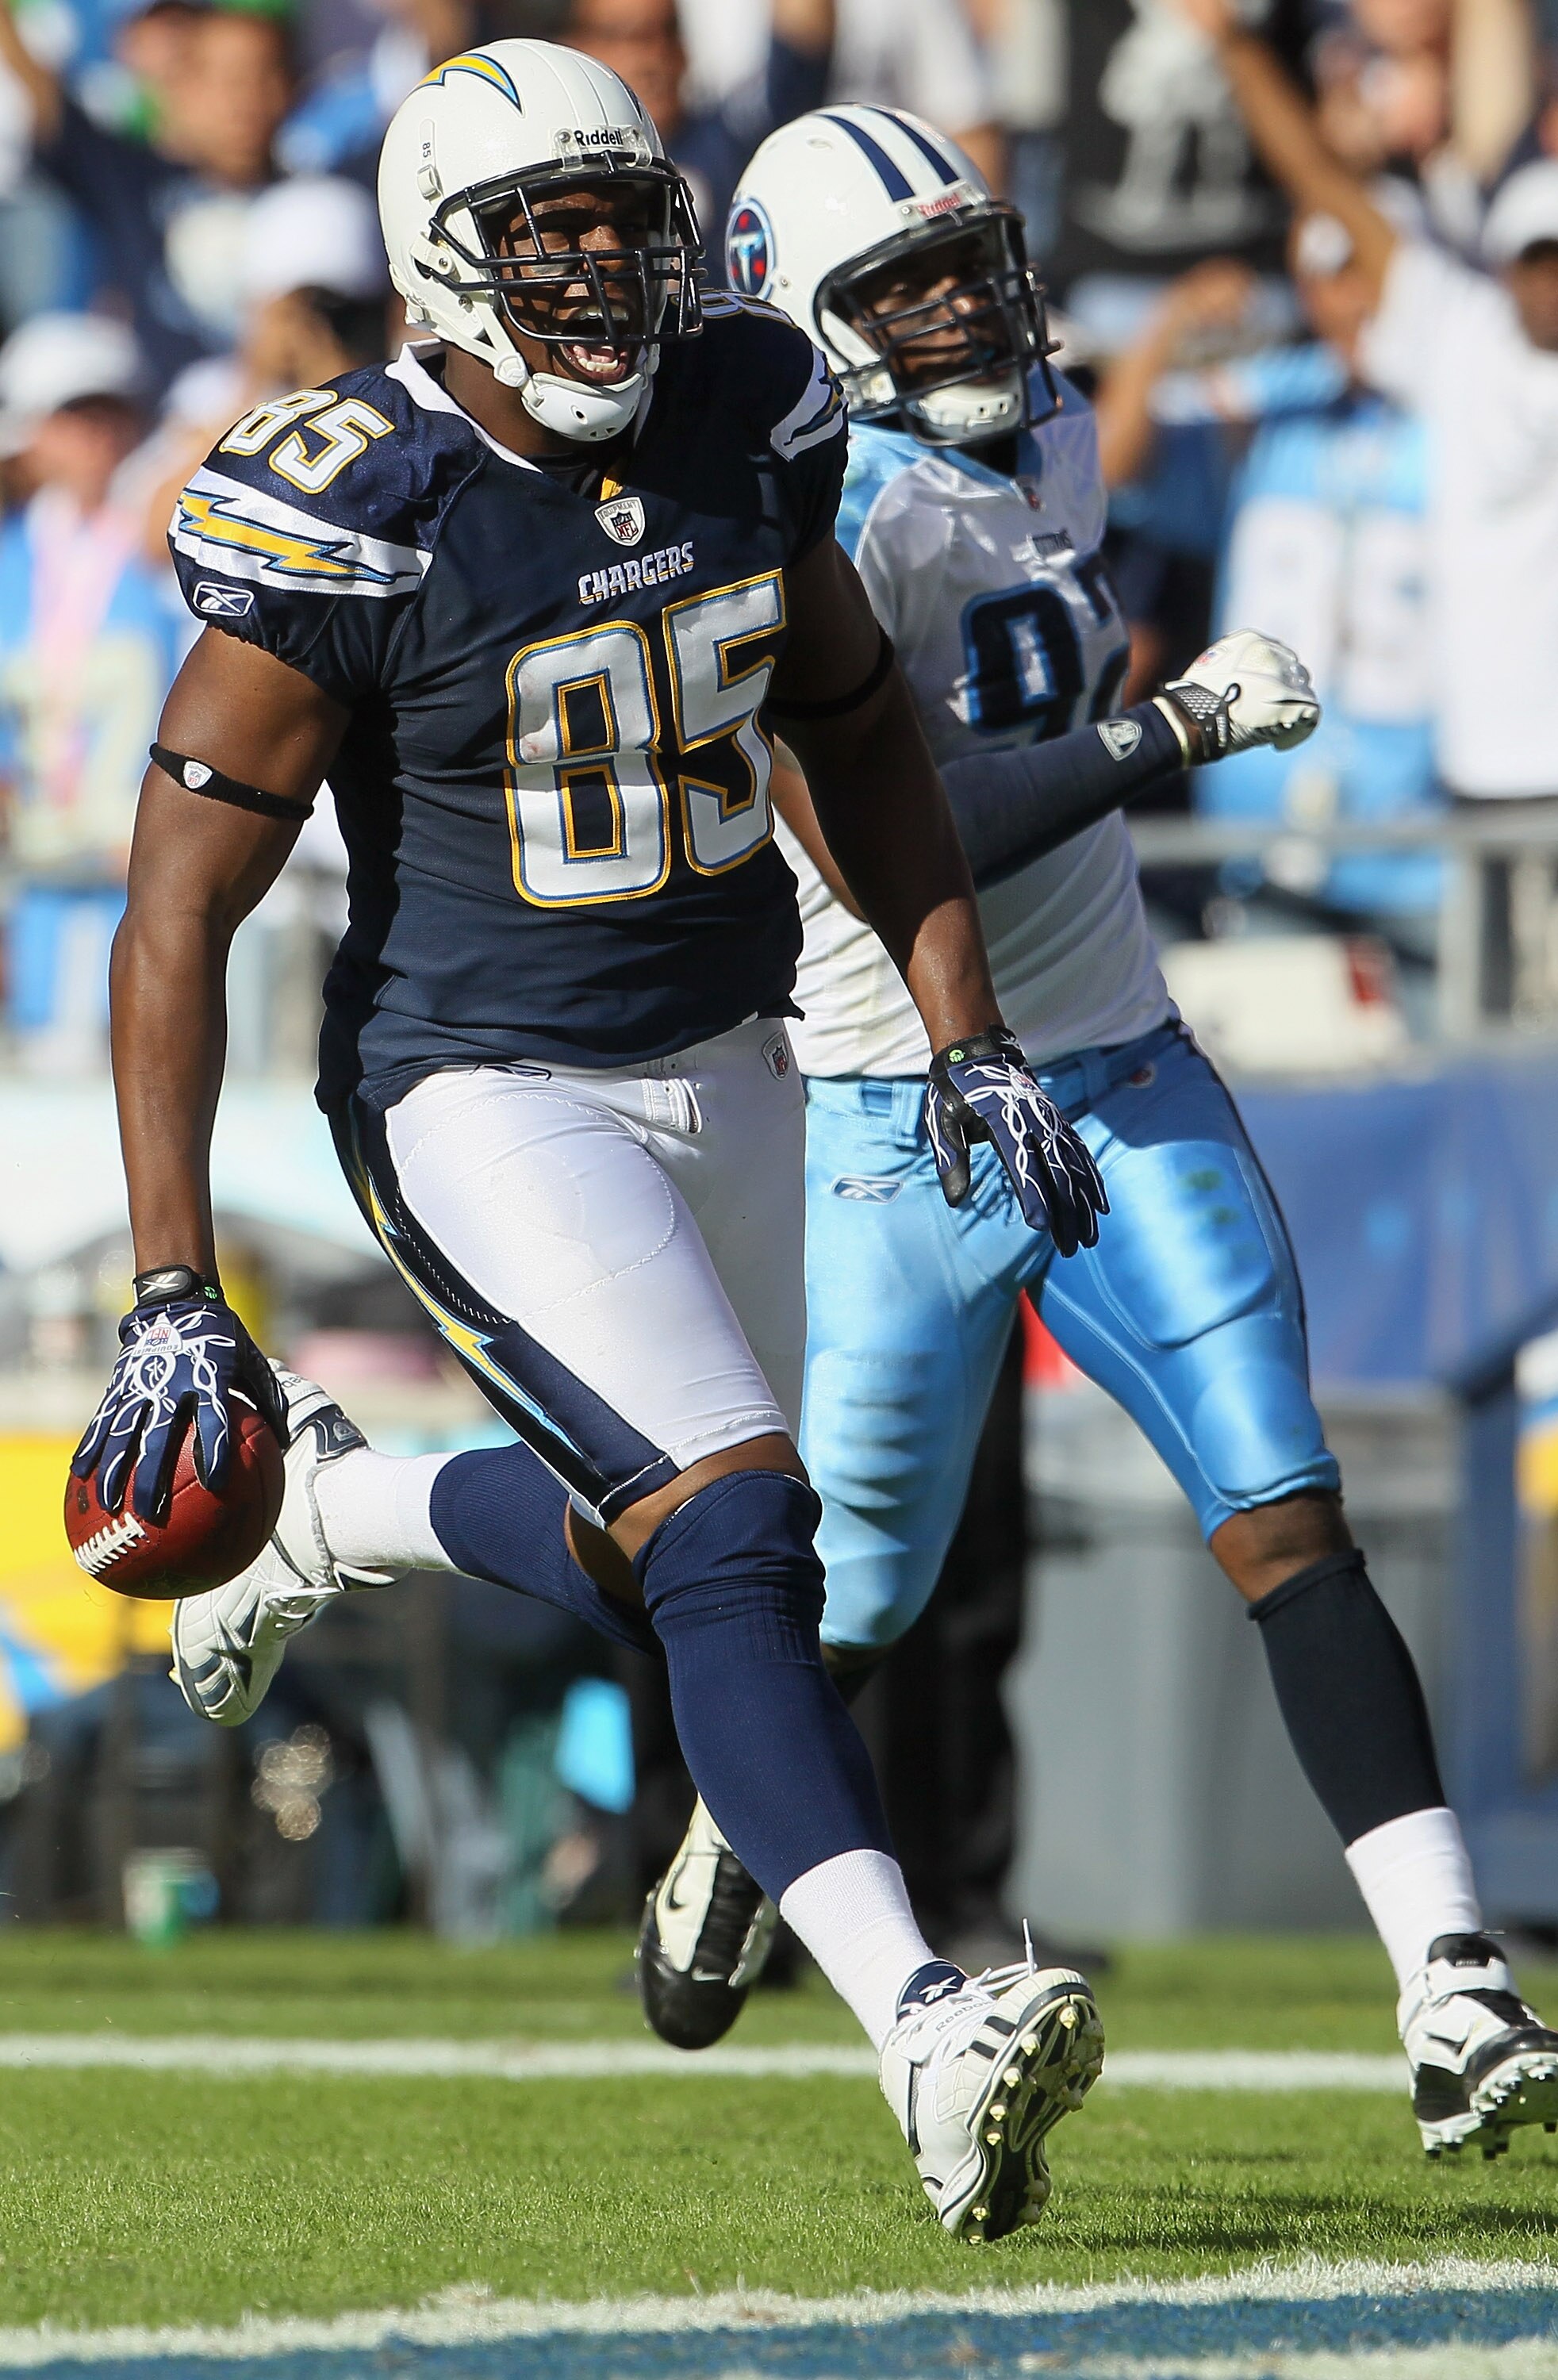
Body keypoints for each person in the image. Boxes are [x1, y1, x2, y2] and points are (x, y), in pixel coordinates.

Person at [72, 39, 1112, 2243]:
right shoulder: (363, 497)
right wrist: (176, 1284)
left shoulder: (749, 407)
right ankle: (922, 2022)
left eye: (630, 230)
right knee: (738, 1530)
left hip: (730, 1046)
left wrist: (967, 1036)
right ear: (441, 264)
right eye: (548, 242)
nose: (605, 280)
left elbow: (854, 728)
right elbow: (175, 913)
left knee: (680, 1555)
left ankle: (341, 1513)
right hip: (475, 1086)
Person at [630, 101, 1558, 2163]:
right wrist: (1174, 730)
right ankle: (728, 1829)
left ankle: (1449, 1983)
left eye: (967, 265)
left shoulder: (1045, 430)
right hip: (895, 1104)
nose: (964, 309)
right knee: (856, 1594)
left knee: (1280, 1501)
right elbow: (900, 828)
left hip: (1119, 1062)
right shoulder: (816, 517)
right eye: (904, 288)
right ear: (808, 321)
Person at [1173, 0, 1558, 1023]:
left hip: (1480, 793)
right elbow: (1320, 182)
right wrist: (1234, 45)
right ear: (1502, 263)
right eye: (1536, 260)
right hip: (1477, 781)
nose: (1549, 285)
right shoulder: (1460, 335)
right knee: (1492, 1063)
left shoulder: (1455, 338)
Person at [0, 312, 180, 1074]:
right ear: (31, 432)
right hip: (33, 885)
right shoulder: (12, 560)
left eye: (111, 413)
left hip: (141, 880)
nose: (96, 437)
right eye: (73, 417)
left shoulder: (164, 548)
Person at [0, 0, 298, 393]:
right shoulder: (130, 180)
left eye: (266, 75)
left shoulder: (321, 202)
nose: (247, 101)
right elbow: (44, 100)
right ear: (178, 88)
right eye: (226, 81)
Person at [563, 0, 833, 267]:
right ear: (574, 46)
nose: (652, 57)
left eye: (668, 31)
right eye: (624, 35)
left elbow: (803, 47)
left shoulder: (731, 140)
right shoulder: (560, 164)